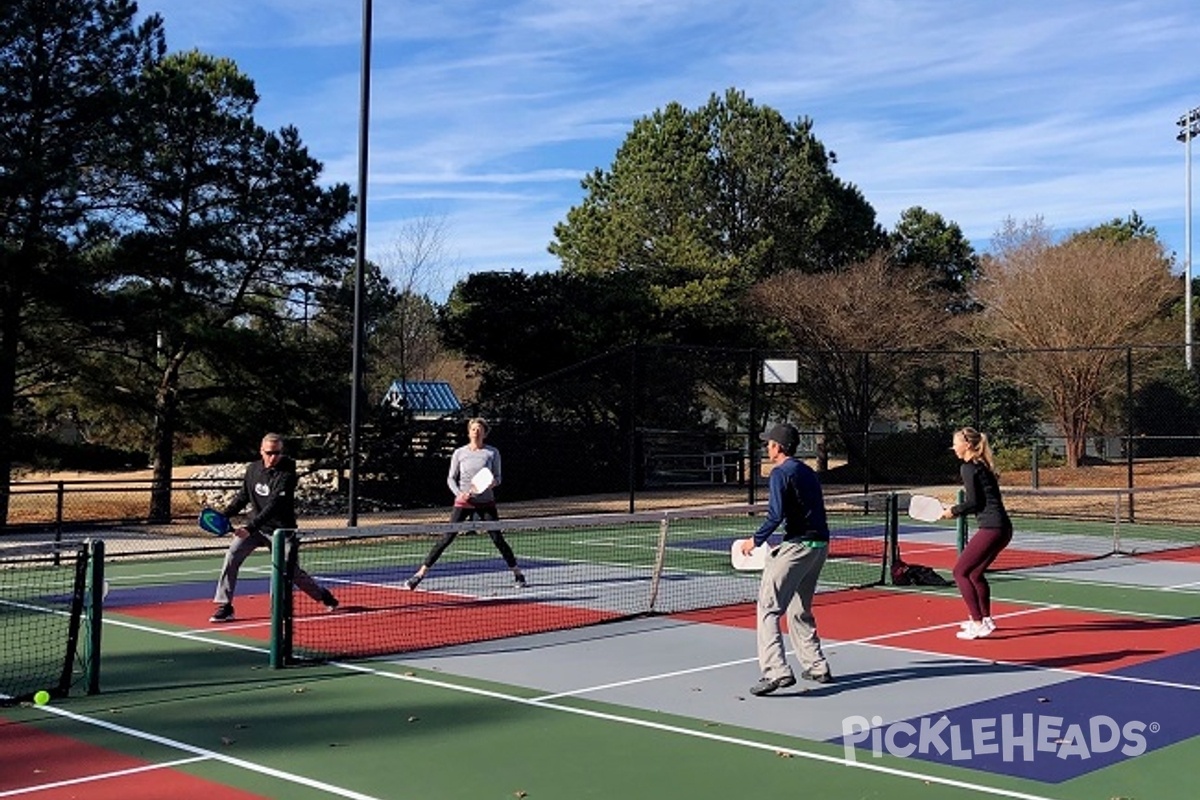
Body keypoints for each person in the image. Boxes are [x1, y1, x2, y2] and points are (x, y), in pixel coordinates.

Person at [737, 423, 833, 696]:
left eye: (769, 443)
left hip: (799, 547)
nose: (767, 447)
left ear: (778, 447)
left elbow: (775, 514)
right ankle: (817, 666)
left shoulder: (780, 473)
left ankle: (776, 671)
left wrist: (753, 542)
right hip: (819, 546)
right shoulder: (807, 471)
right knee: (798, 607)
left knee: (768, 607)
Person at [209, 433, 338, 623]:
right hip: (256, 528)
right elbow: (243, 496)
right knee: (232, 557)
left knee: (289, 571)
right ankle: (225, 605)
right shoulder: (253, 469)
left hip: (282, 531)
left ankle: (320, 596)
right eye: (269, 453)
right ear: (261, 451)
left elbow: (274, 505)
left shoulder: (287, 472)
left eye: (277, 453)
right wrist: (225, 515)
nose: (273, 457)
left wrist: (249, 528)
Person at [405, 417, 526, 590]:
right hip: (463, 503)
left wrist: (491, 483)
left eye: (479, 429)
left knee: (498, 539)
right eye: (473, 429)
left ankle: (518, 574)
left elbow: (498, 477)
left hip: (486, 503)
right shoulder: (459, 453)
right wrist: (459, 494)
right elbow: (450, 478)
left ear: (485, 433)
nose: (476, 432)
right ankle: (419, 575)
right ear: (469, 432)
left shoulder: (492, 453)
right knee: (446, 538)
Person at [942, 426, 1012, 640]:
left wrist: (953, 510)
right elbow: (980, 501)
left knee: (959, 572)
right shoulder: (981, 465)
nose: (953, 447)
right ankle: (986, 619)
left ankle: (978, 623)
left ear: (968, 445)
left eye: (956, 443)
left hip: (992, 528)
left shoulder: (968, 468)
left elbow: (974, 502)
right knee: (974, 573)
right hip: (1002, 528)